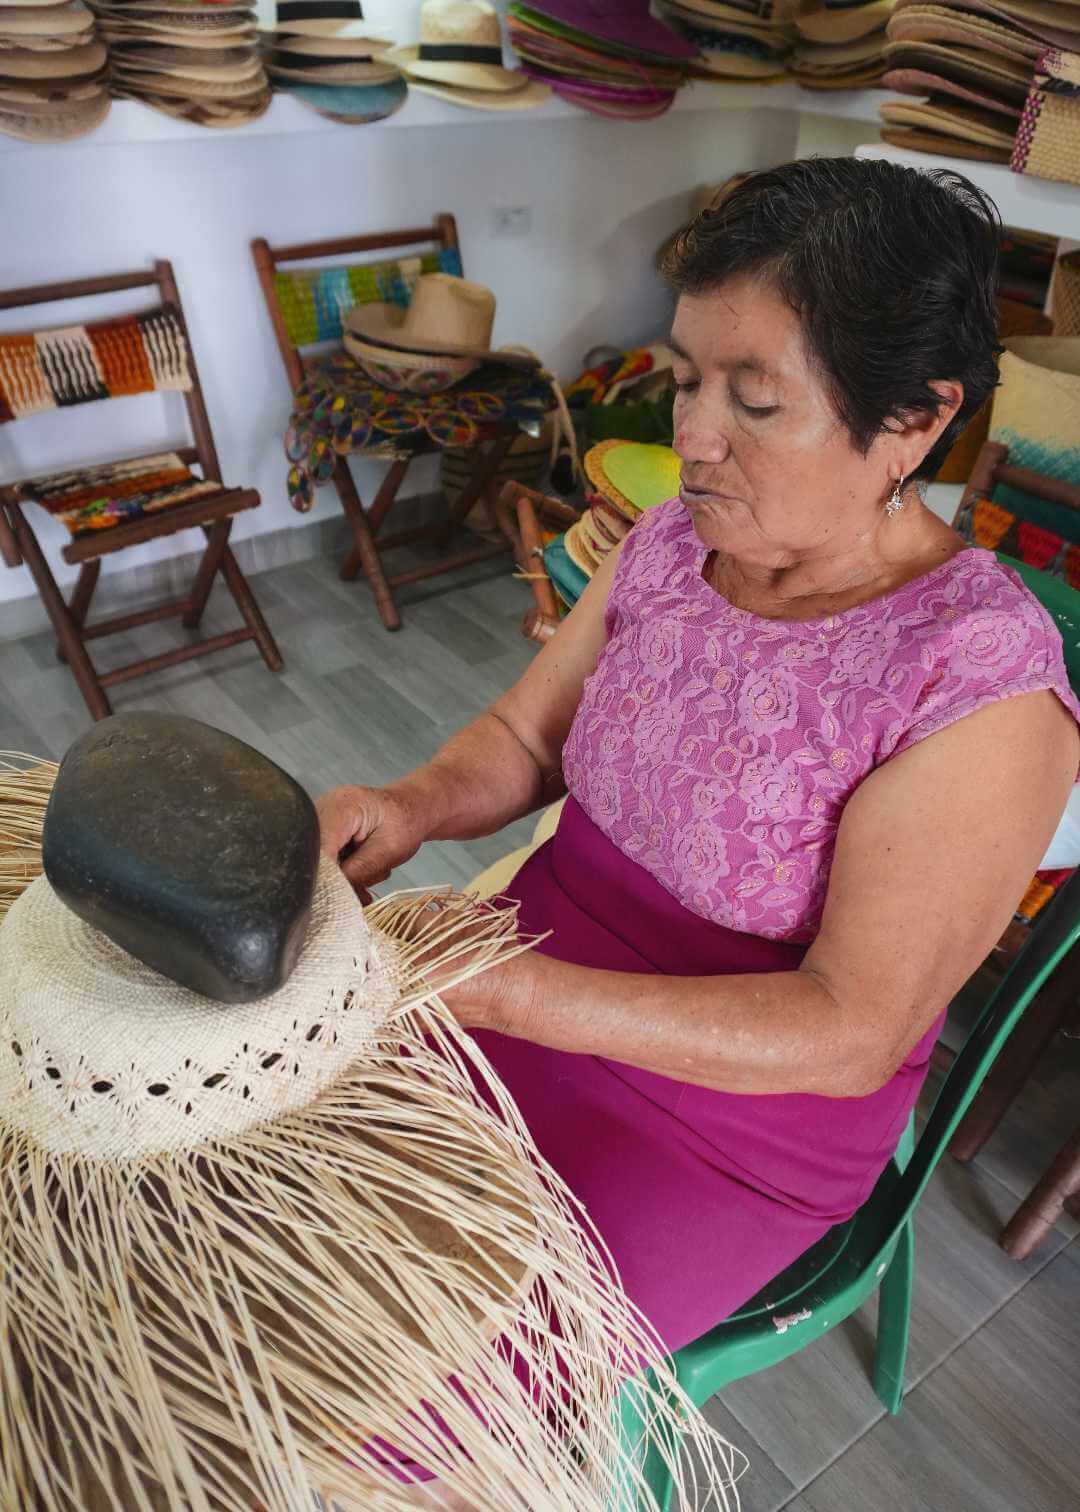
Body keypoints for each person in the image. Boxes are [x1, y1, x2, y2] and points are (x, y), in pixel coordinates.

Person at [318, 158, 1080, 1371]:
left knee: (402, 1389)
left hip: (728, 1115)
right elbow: (527, 737)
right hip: (519, 966)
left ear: (916, 419)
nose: (692, 436)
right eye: (684, 378)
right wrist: (405, 804)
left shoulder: (975, 681)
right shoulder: (676, 538)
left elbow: (849, 1028)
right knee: (264, 1202)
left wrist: (516, 994)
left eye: (754, 401)